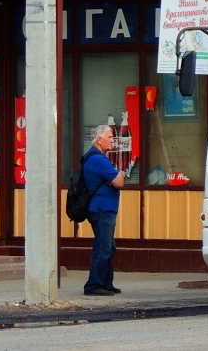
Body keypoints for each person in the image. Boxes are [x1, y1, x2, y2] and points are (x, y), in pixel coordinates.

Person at [83, 124, 125, 296]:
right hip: (101, 209)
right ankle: (94, 285)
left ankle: (106, 283)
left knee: (108, 246)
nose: (112, 140)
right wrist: (119, 175)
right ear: (99, 140)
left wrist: (115, 177)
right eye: (109, 136)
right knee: (103, 247)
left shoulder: (96, 157)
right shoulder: (97, 159)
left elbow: (114, 180)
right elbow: (119, 182)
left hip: (103, 208)